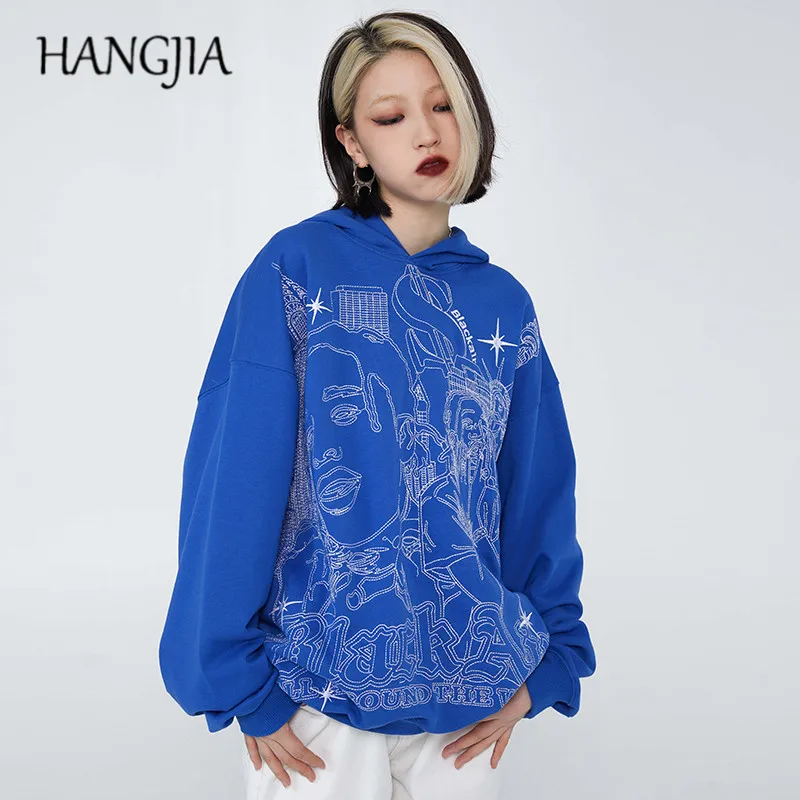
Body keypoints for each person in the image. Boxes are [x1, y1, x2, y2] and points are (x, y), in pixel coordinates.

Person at [158, 10, 596, 799]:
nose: (426, 132)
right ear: (352, 143)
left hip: (471, 701)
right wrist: (235, 678)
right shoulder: (296, 269)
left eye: (443, 105)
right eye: (391, 117)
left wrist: (552, 660)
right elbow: (235, 478)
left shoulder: (503, 305)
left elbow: (536, 491)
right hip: (315, 699)